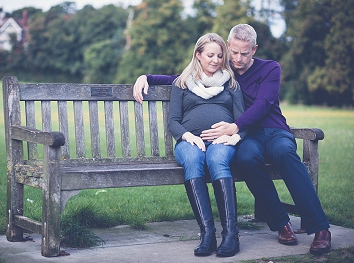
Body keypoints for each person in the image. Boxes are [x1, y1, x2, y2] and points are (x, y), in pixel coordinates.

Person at [133, 24, 332, 255]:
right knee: (246, 160)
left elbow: (263, 104)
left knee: (286, 155)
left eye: (244, 53)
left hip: (273, 131)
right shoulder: (225, 70)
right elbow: (182, 77)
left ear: (254, 50)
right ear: (228, 46)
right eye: (234, 52)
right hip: (247, 138)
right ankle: (281, 224)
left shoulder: (270, 69)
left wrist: (234, 127)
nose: (238, 58)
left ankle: (320, 229)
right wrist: (146, 77)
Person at [166, 33, 244, 257]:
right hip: (190, 140)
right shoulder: (182, 83)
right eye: (210, 55)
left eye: (220, 56)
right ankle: (207, 233)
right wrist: (187, 136)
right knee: (192, 159)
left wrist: (233, 137)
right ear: (198, 55)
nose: (215, 60)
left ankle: (231, 234)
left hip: (222, 141)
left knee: (217, 159)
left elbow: (242, 121)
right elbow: (173, 121)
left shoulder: (231, 84)